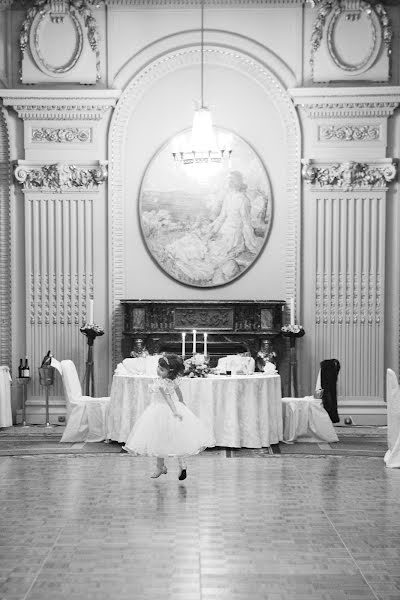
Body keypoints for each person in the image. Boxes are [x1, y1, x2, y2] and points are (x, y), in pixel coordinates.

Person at [123, 354, 215, 479]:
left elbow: (168, 398)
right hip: (168, 409)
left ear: (170, 372)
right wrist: (181, 401)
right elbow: (177, 391)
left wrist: (175, 410)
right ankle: (181, 465)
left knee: (159, 439)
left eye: (161, 369)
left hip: (162, 411)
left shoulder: (161, 383)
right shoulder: (172, 380)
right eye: (158, 367)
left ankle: (160, 467)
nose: (158, 370)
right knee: (175, 438)